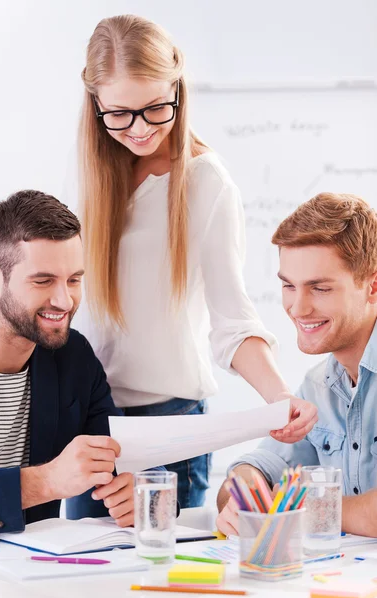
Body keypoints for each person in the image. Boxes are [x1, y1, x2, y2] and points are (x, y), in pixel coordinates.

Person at [65, 14, 317, 510]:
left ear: (178, 89)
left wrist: (278, 398)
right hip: (93, 426)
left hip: (171, 427)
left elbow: (232, 318)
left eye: (156, 107)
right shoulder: (92, 173)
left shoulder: (205, 182)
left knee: (170, 579)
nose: (139, 129)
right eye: (119, 113)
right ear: (96, 105)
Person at [216, 192, 377, 537]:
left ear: (372, 286)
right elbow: (251, 471)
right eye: (289, 286)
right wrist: (245, 496)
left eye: (319, 288)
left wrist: (292, 508)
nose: (298, 308)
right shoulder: (320, 385)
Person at [0, 190, 136, 537]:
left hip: (32, 572)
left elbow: (119, 456)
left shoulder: (74, 355)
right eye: (43, 280)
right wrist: (43, 482)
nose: (64, 300)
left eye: (74, 280)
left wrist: (133, 492)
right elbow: (50, 482)